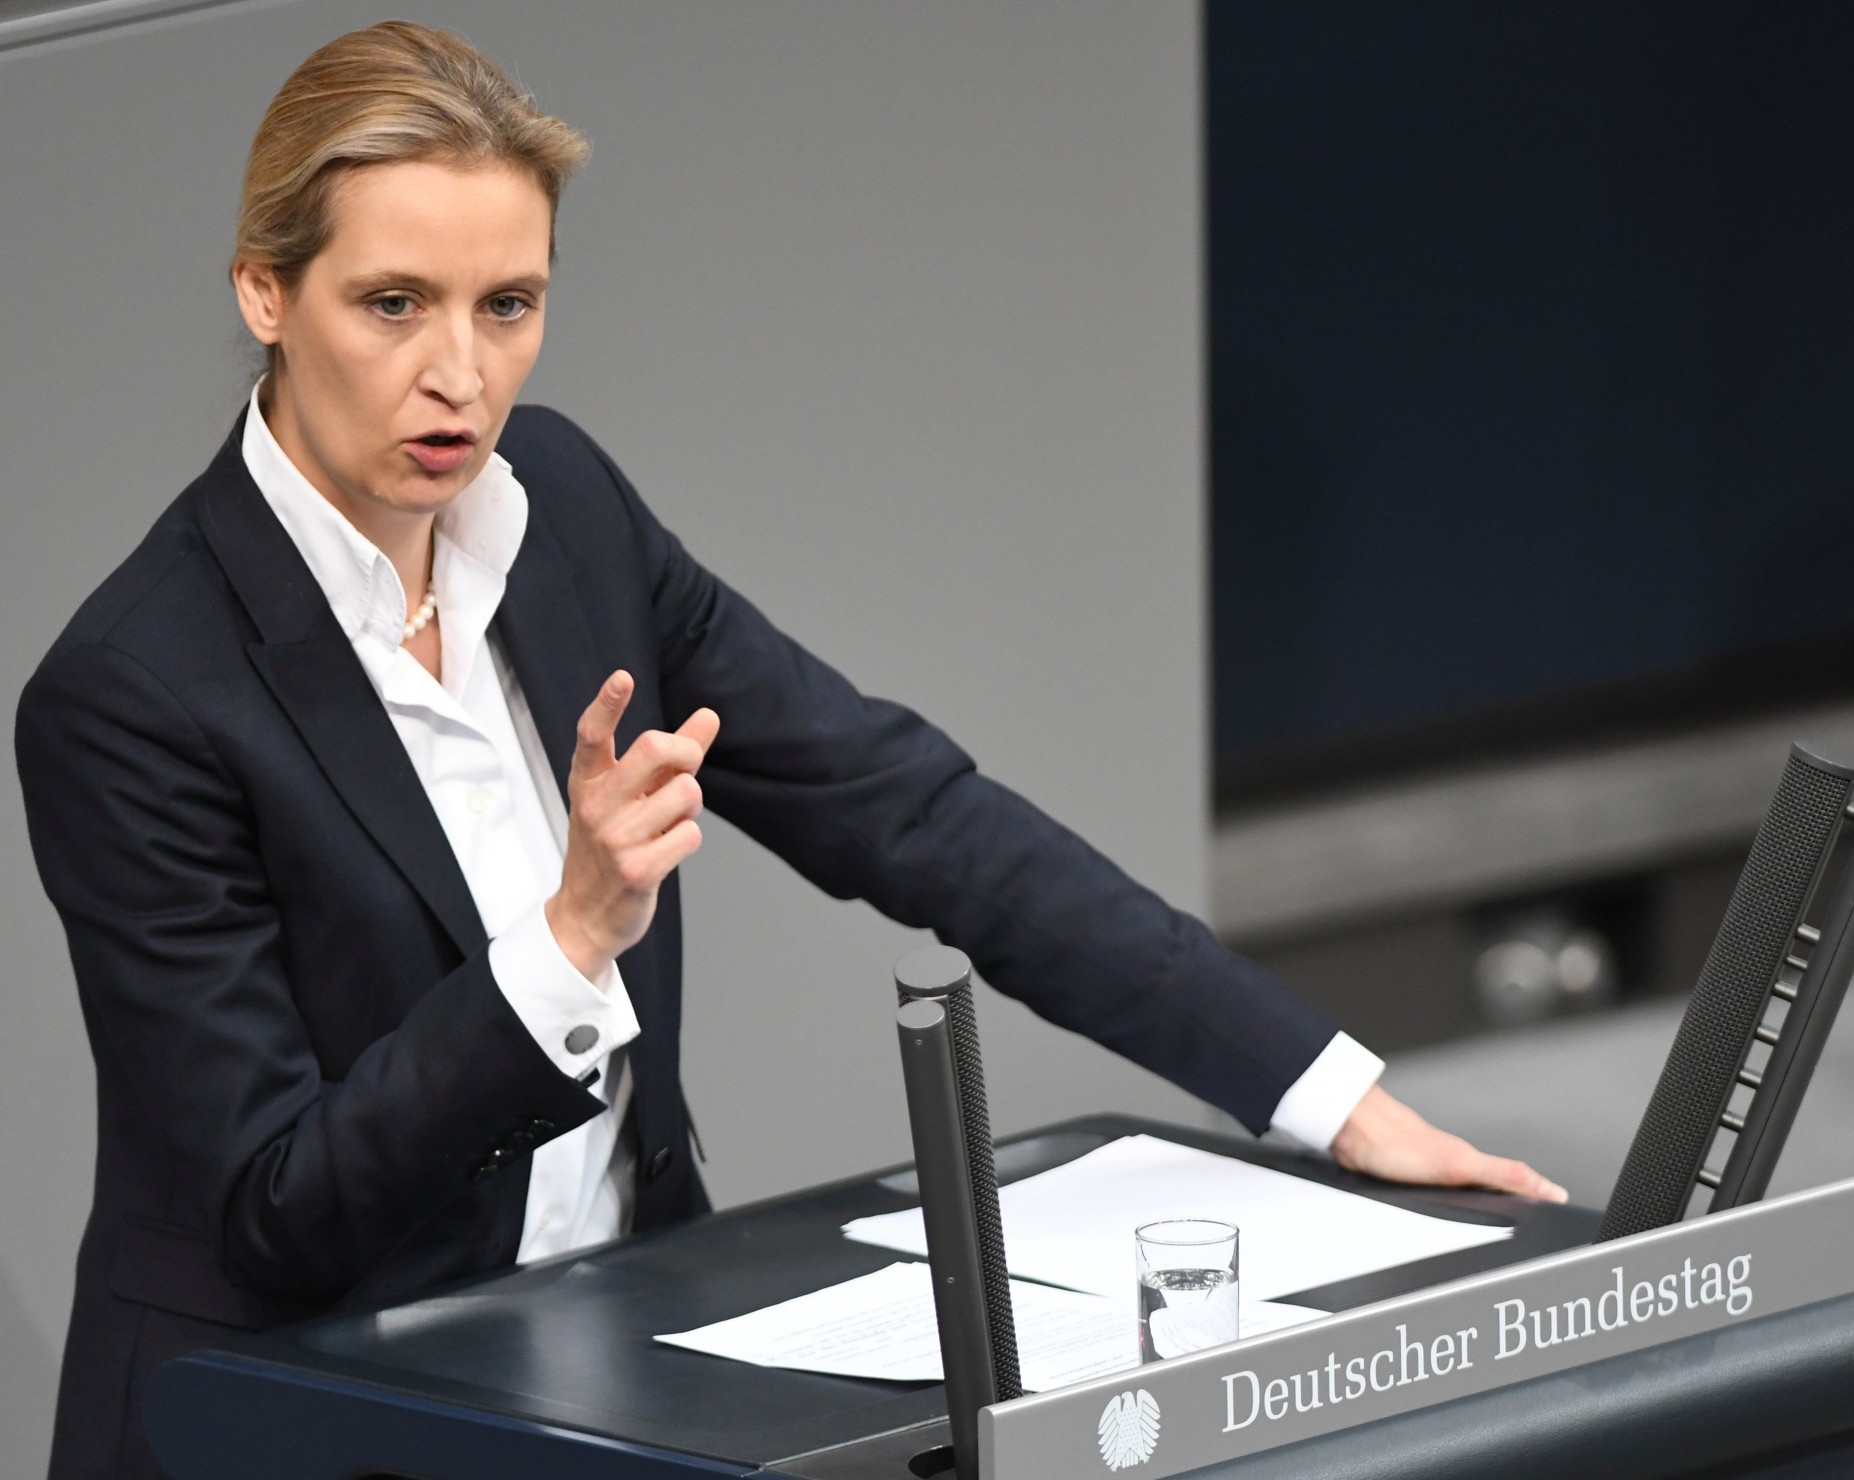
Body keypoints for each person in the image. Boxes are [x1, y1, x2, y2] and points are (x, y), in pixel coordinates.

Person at [14, 23, 1563, 1480]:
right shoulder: (135, 694)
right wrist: (566, 948)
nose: (462, 376)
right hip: (291, 1415)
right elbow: (277, 1213)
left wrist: (1323, 1092)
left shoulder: (566, 519)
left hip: (597, 1363)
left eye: (510, 306)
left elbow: (904, 807)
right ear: (264, 296)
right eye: (393, 304)